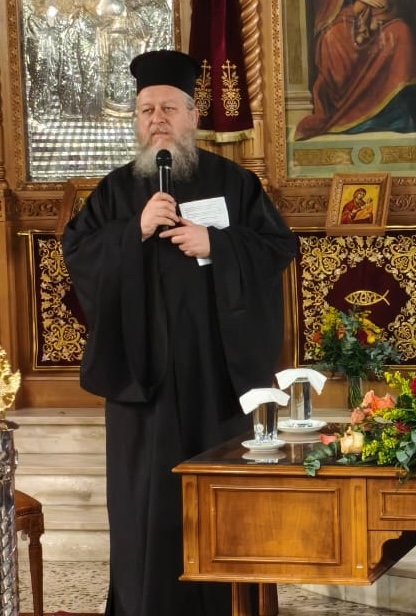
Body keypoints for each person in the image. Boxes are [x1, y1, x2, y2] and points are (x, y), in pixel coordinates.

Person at [61, 50, 297, 616]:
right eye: (146, 111)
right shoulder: (116, 191)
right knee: (146, 509)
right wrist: (134, 231)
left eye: (169, 108)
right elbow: (77, 253)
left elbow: (278, 247)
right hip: (143, 385)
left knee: (221, 506)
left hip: (217, 380)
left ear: (193, 116)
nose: (157, 120)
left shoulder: (235, 184)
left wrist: (216, 244)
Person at [294, 0, 416, 140]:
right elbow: (326, 12)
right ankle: (350, 108)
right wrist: (359, 5)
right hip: (344, 20)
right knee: (331, 39)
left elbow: (391, 6)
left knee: (402, 32)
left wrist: (380, 9)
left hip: (381, 21)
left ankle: (398, 114)